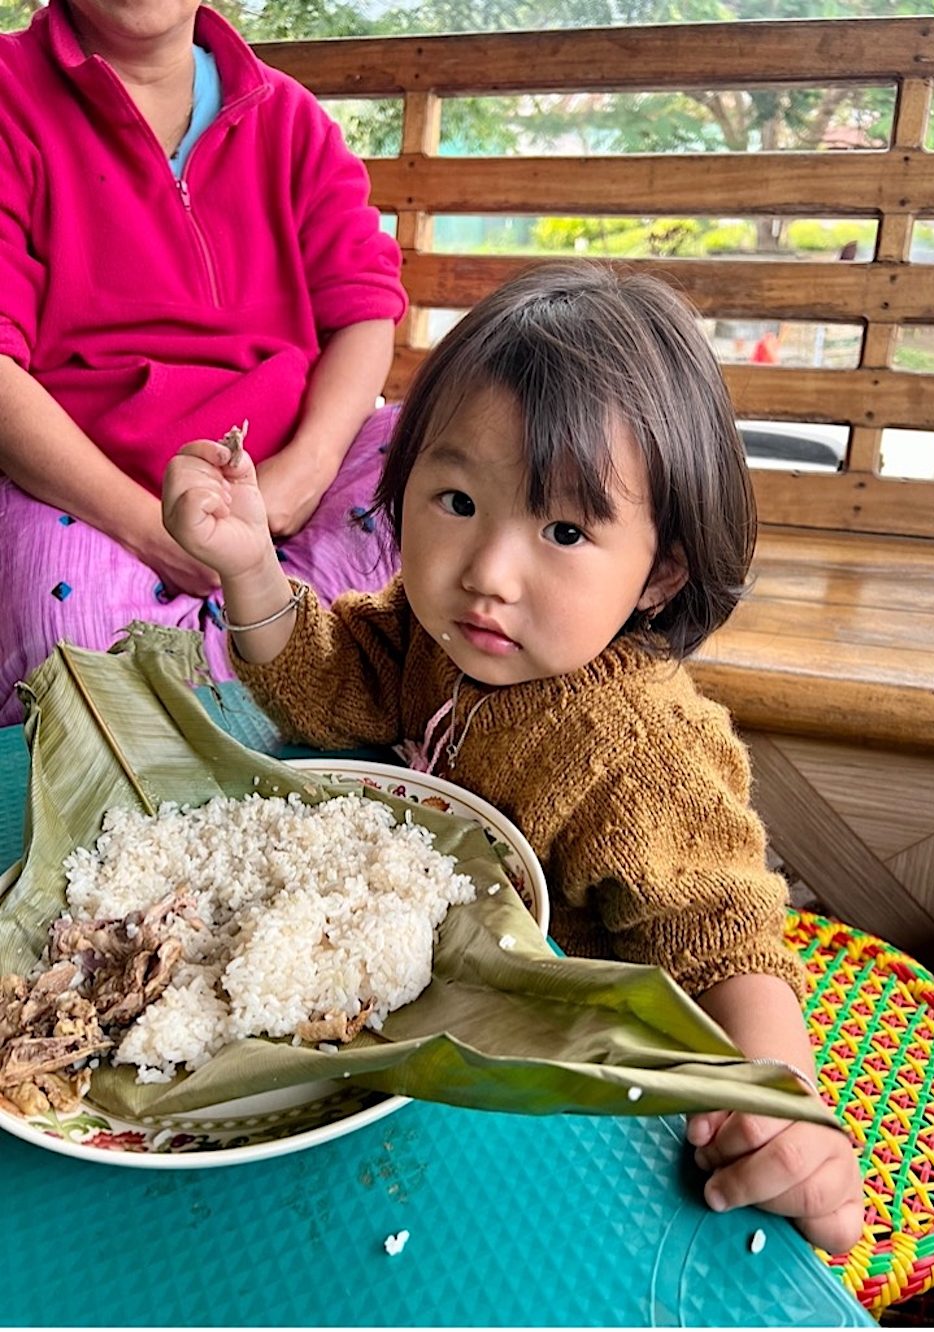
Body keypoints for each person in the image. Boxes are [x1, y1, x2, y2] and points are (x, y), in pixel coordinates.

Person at [162, 262, 865, 1253]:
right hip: (409, 1026)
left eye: (566, 529)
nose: (487, 573)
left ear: (661, 572)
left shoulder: (629, 747)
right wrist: (245, 564)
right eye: (455, 500)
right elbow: (329, 686)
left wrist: (784, 1110)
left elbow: (723, 939)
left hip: (559, 1109)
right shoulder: (425, 631)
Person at [0, 0, 407, 725]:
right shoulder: (9, 95)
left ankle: (259, 683)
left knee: (450, 464)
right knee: (69, 646)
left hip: (289, 493)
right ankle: (284, 697)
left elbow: (365, 310)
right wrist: (154, 531)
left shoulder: (290, 118)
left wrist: (296, 482)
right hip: (86, 502)